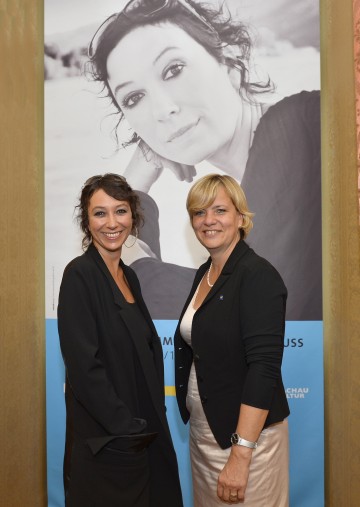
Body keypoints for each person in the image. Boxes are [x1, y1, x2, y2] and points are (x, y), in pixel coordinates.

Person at [87, 0, 321, 321]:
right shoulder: (248, 211)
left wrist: (128, 248)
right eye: (134, 98)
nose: (162, 110)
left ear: (229, 62)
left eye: (173, 70)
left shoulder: (311, 123)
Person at [57, 173, 183, 507]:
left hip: (144, 439)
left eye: (120, 211)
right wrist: (127, 430)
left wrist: (144, 426)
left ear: (133, 217)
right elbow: (85, 369)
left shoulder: (130, 277)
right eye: (100, 213)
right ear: (86, 220)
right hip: (110, 446)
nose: (111, 222)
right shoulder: (79, 276)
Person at [174, 174, 290, 506]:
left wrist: (241, 455)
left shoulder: (258, 276)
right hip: (205, 433)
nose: (208, 220)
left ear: (240, 217)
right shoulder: (204, 273)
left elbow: (264, 369)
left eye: (220, 210)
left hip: (248, 443)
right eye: (199, 212)